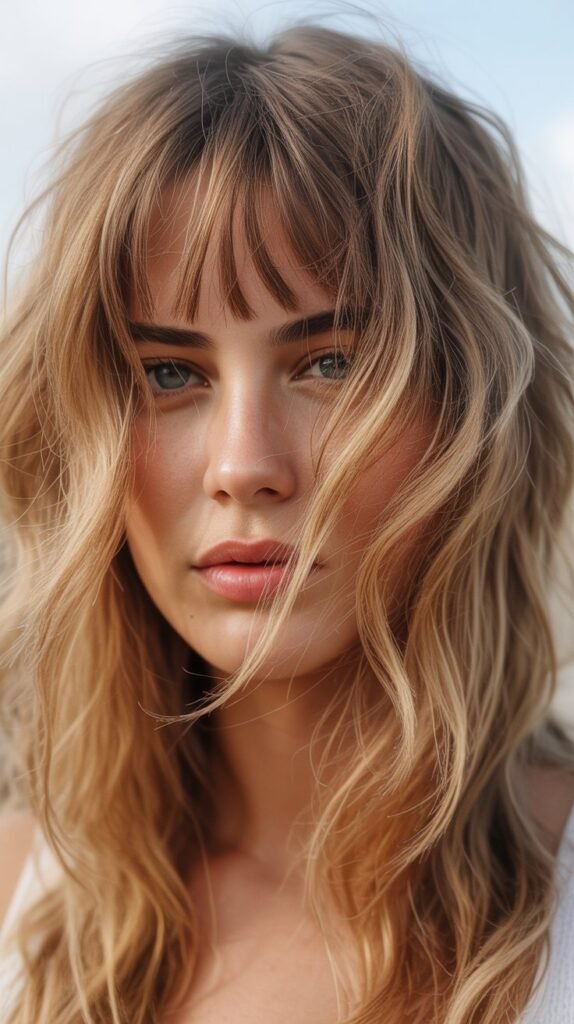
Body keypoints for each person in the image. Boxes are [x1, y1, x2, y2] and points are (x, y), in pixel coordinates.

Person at [0, 20, 573, 1024]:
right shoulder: (19, 900)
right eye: (168, 373)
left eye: (331, 363)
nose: (244, 466)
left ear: (476, 405)